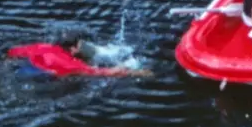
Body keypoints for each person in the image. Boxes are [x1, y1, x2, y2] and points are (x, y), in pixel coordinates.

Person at [8, 36, 153, 78]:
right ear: (72, 49)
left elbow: (12, 52)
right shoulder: (71, 64)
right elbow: (102, 72)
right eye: (78, 45)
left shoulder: (43, 46)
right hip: (36, 74)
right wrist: (137, 72)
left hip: (21, 64)